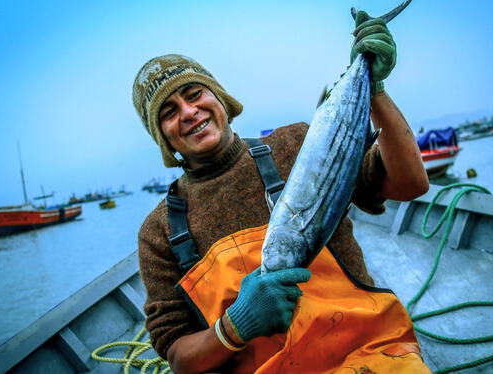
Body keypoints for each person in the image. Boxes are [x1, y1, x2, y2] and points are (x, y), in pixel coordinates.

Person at [132, 9, 430, 374]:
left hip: (367, 355)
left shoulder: (296, 144)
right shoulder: (160, 230)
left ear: (220, 98)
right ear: (163, 137)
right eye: (169, 112)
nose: (190, 112)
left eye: (195, 94)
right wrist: (233, 327)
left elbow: (411, 184)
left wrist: (375, 91)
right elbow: (177, 354)